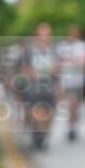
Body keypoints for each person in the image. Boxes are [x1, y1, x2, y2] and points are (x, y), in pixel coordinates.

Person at [19, 22, 60, 151]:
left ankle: (43, 133)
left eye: (47, 33)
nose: (44, 36)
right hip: (34, 86)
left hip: (50, 85)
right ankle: (38, 134)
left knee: (49, 112)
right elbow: (23, 68)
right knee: (36, 111)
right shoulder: (29, 51)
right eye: (42, 33)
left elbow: (59, 68)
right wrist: (32, 74)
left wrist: (54, 72)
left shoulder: (54, 50)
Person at [57, 25, 85, 142]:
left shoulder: (83, 46)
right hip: (67, 81)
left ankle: (74, 125)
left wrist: (75, 60)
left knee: (77, 106)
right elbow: (59, 62)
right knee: (71, 104)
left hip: (80, 80)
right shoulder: (62, 46)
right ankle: (70, 127)